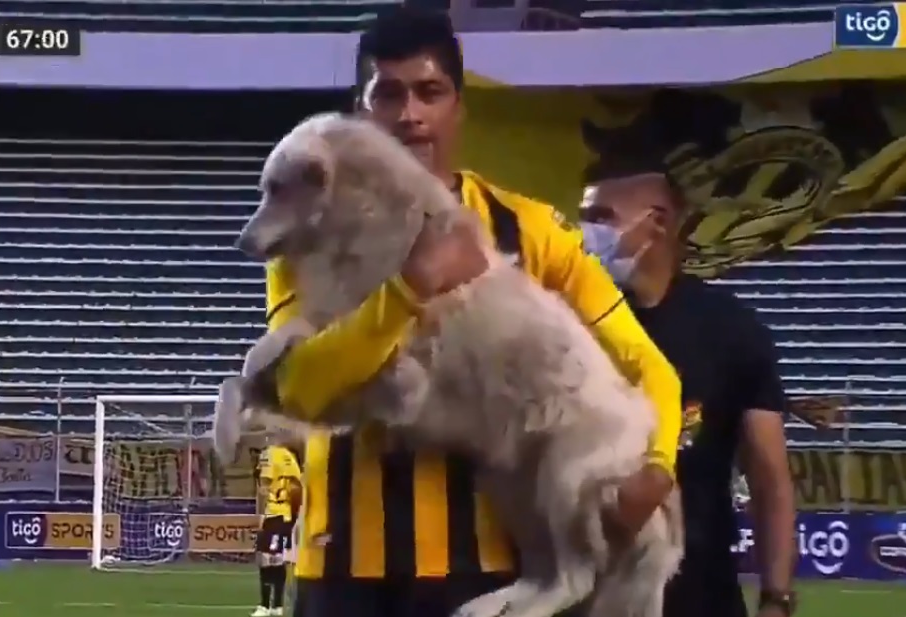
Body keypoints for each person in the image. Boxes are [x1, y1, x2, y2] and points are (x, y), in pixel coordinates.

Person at [257, 8, 684, 617]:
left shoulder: (529, 228)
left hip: (479, 571)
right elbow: (300, 390)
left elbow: (648, 366)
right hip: (340, 562)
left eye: (430, 92)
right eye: (390, 94)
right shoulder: (308, 237)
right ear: (361, 112)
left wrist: (658, 471)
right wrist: (411, 286)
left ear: (459, 106)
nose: (411, 114)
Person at [577, 163, 798, 617]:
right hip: (588, 587)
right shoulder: (570, 323)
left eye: (601, 217)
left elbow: (769, 478)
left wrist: (777, 597)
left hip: (700, 588)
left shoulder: (731, 328)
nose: (584, 232)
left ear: (656, 223)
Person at [254, 439, 304, 616]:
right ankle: (277, 605)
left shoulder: (270, 454)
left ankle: (264, 605)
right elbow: (299, 489)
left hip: (273, 515)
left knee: (265, 560)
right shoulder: (292, 458)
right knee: (277, 559)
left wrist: (260, 516)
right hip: (287, 516)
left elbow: (263, 488)